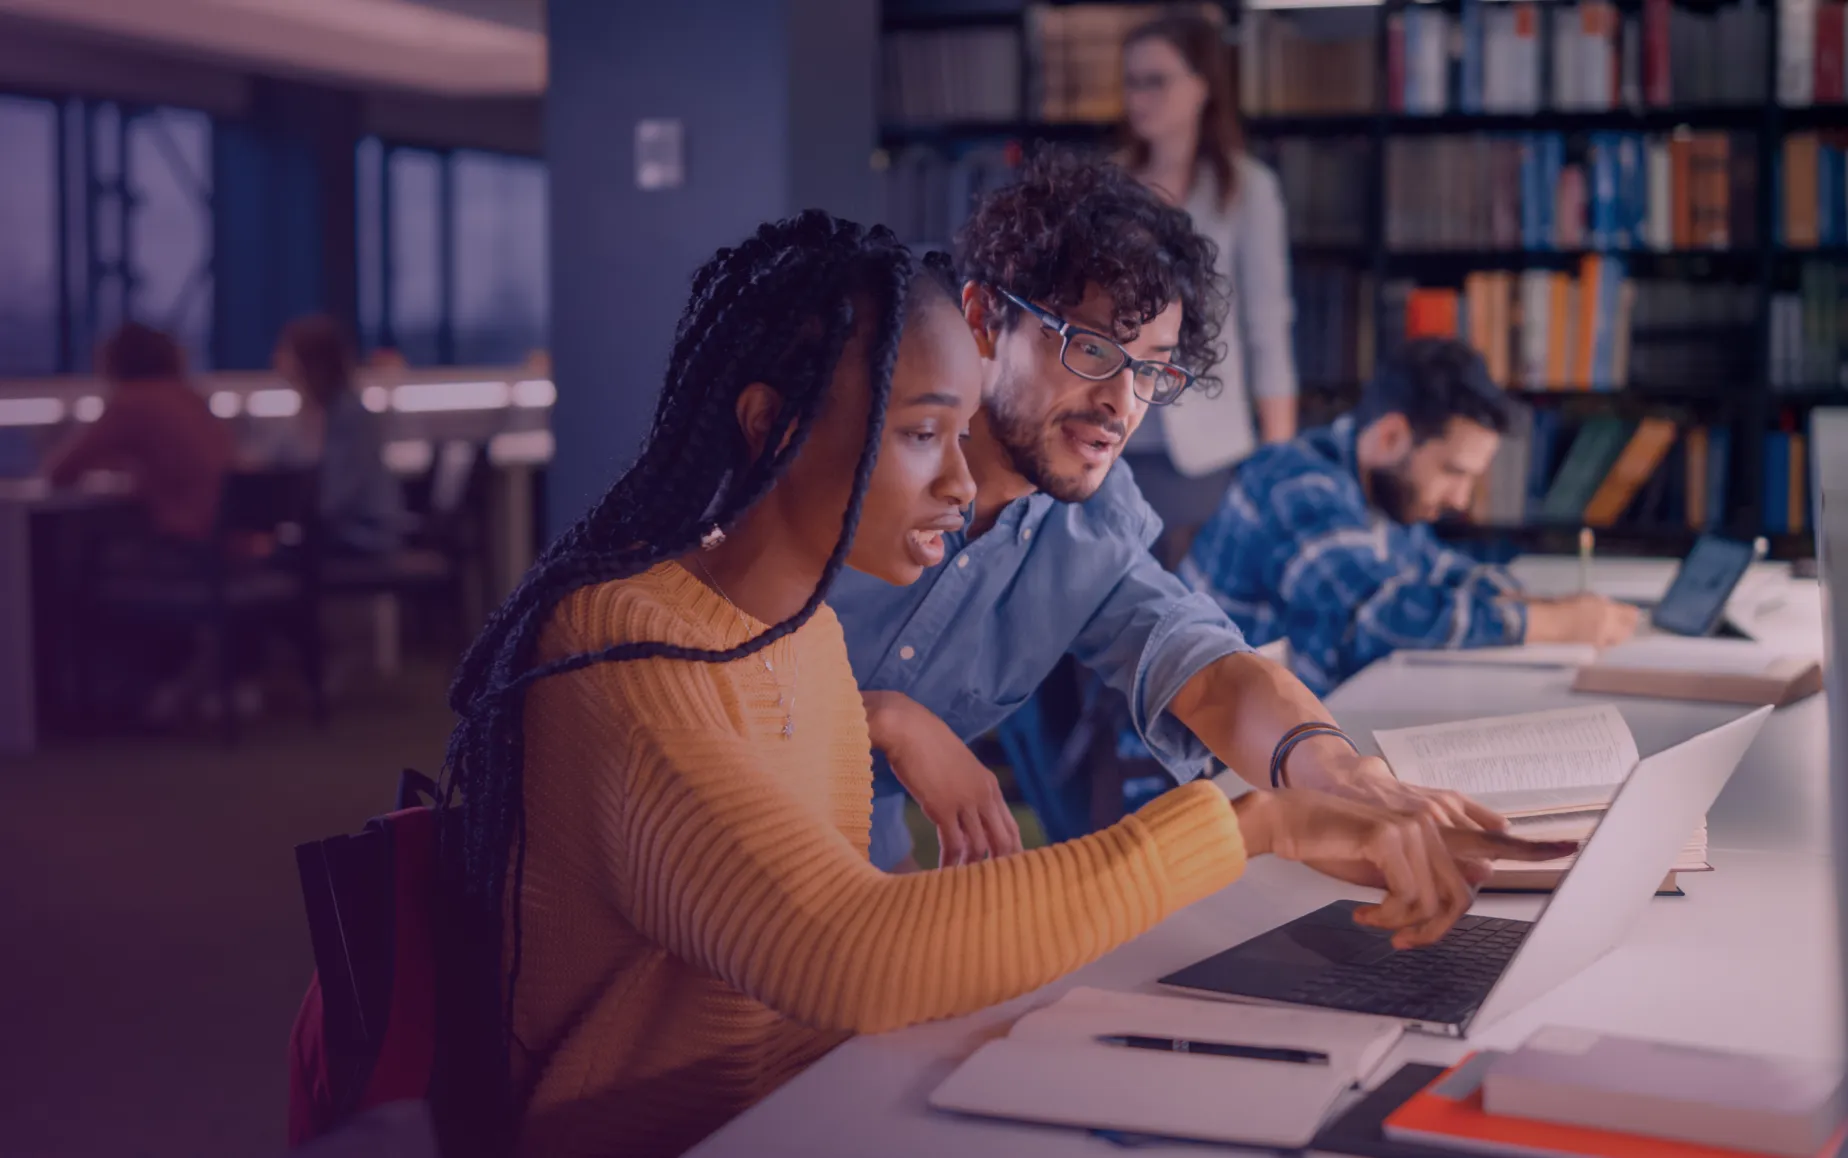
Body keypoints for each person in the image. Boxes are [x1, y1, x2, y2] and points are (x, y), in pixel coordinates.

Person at [430, 213, 1571, 1158]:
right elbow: (848, 946)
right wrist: (1253, 822)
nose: (964, 481)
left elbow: (1196, 653)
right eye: (929, 433)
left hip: (826, 1079)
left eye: (1152, 372)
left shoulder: (810, 632)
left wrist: (1333, 777)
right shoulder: (632, 644)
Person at [831, 153, 1502, 872]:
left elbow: (1204, 665)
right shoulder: (850, 450)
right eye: (1092, 347)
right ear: (984, 319)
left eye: (1150, 367)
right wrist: (882, 719)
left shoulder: (1092, 523)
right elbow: (705, 679)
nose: (1123, 405)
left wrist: (1334, 771)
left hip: (865, 878)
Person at [1181, 337, 1642, 696]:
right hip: (1198, 772)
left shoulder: (1380, 491)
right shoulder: (1296, 485)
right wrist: (1555, 625)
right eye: (1452, 472)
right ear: (1391, 437)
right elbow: (1377, 620)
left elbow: (1442, 574)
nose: (1461, 500)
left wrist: (1545, 606)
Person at [1115, 10, 1298, 539]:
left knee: (1197, 604)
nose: (1139, 97)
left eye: (1156, 81)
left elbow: (1268, 324)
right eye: (1131, 82)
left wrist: (1276, 461)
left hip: (1206, 443)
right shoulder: (1109, 182)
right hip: (1114, 427)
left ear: (1201, 86)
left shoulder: (1245, 188)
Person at [46, 322, 233, 547]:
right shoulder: (190, 398)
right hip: (227, 536)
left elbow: (61, 472)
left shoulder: (131, 402)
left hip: (185, 536)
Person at [275, 315, 405, 556]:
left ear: (309, 360)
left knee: (281, 555)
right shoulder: (308, 412)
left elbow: (335, 499)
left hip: (363, 533)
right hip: (333, 531)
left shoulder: (349, 415)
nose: (277, 360)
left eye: (286, 351)